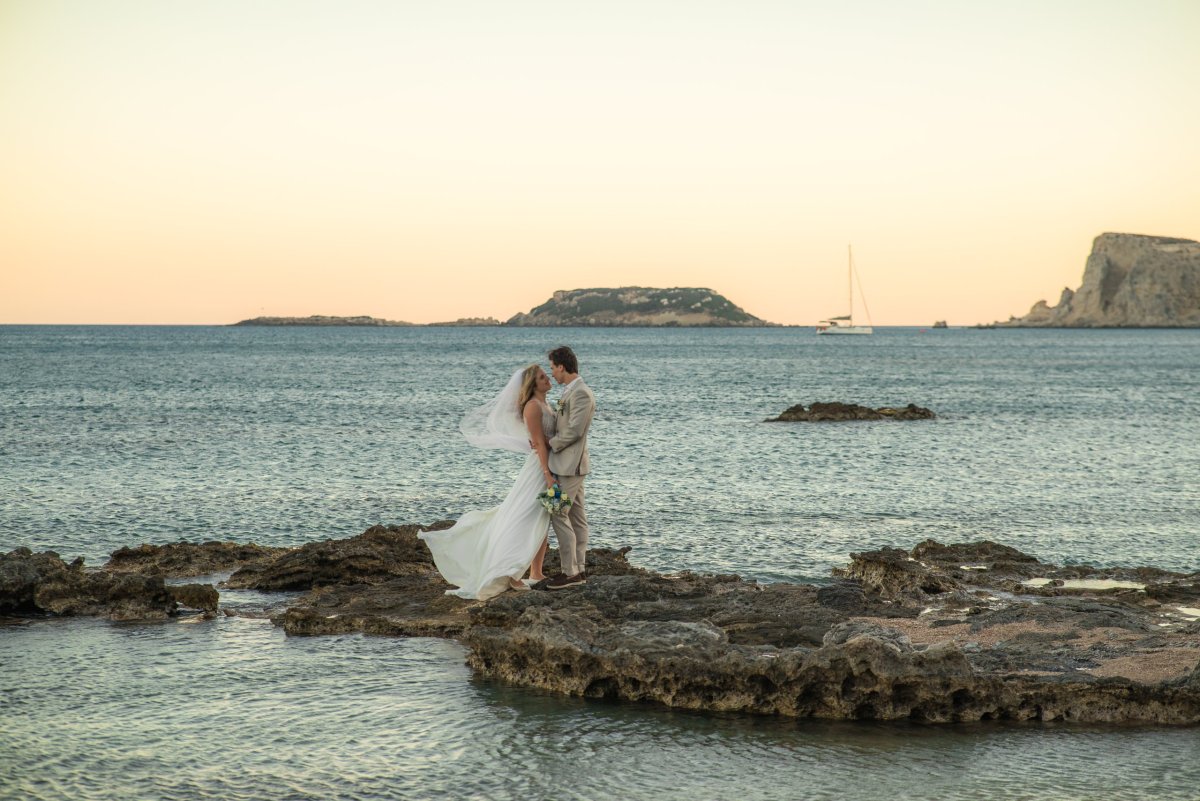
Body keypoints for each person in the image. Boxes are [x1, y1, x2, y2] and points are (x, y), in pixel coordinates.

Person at [419, 364, 556, 600]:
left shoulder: (546, 404)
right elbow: (539, 444)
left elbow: (547, 439)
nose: (548, 379)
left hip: (547, 465)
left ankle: (536, 571)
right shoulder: (533, 407)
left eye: (546, 375)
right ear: (533, 385)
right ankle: (510, 572)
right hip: (539, 469)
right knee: (524, 517)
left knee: (542, 518)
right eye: (543, 377)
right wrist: (547, 475)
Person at [537, 345, 596, 590]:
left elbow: (574, 430)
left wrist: (550, 444)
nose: (552, 374)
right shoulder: (570, 392)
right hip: (571, 464)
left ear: (562, 366)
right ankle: (579, 569)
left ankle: (569, 572)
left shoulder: (580, 393)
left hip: (569, 465)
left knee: (557, 512)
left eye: (552, 368)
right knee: (577, 517)